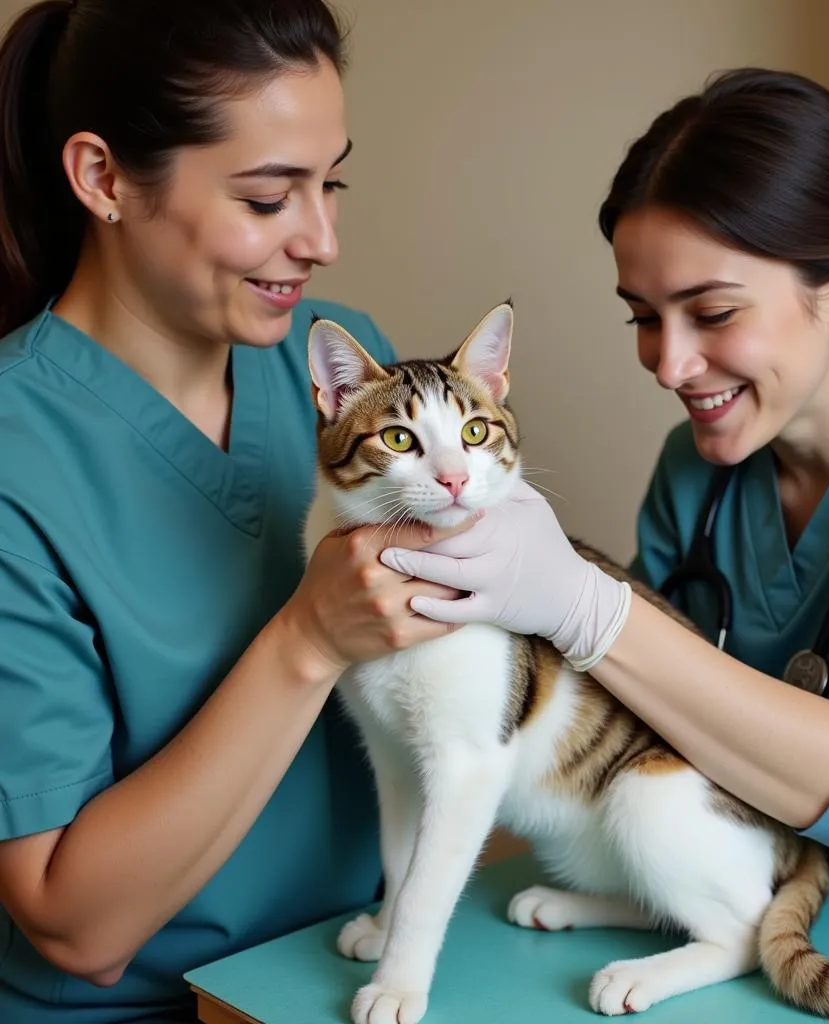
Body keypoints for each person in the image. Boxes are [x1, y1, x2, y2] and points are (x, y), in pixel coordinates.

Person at [383, 68, 829, 934]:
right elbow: (650, 729)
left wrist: (588, 607)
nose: (669, 364)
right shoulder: (697, 469)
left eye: (712, 312)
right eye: (642, 316)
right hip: (780, 898)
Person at [0, 2, 469, 1021]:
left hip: (355, 973)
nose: (324, 240)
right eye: (269, 197)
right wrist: (306, 638)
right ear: (103, 179)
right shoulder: (16, 454)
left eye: (331, 181)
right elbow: (71, 923)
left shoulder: (341, 360)